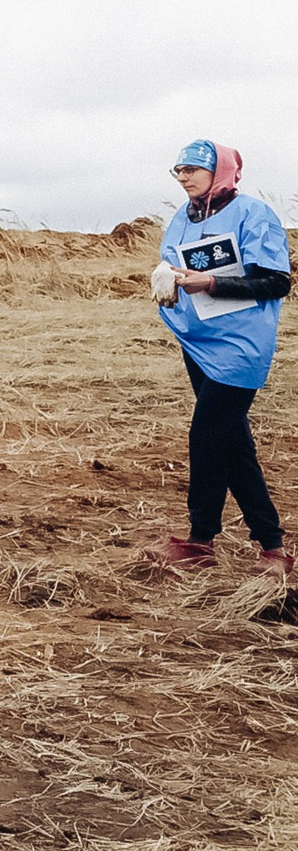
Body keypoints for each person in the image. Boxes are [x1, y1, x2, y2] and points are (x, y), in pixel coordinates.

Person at [150, 141, 290, 576]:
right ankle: (272, 546)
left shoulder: (253, 214)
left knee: (206, 437)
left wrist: (211, 283)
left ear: (220, 170)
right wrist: (167, 281)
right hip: (198, 342)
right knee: (233, 443)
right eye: (179, 170)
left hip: (240, 347)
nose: (184, 177)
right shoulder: (183, 217)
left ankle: (201, 538)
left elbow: (276, 282)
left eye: (193, 169)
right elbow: (174, 265)